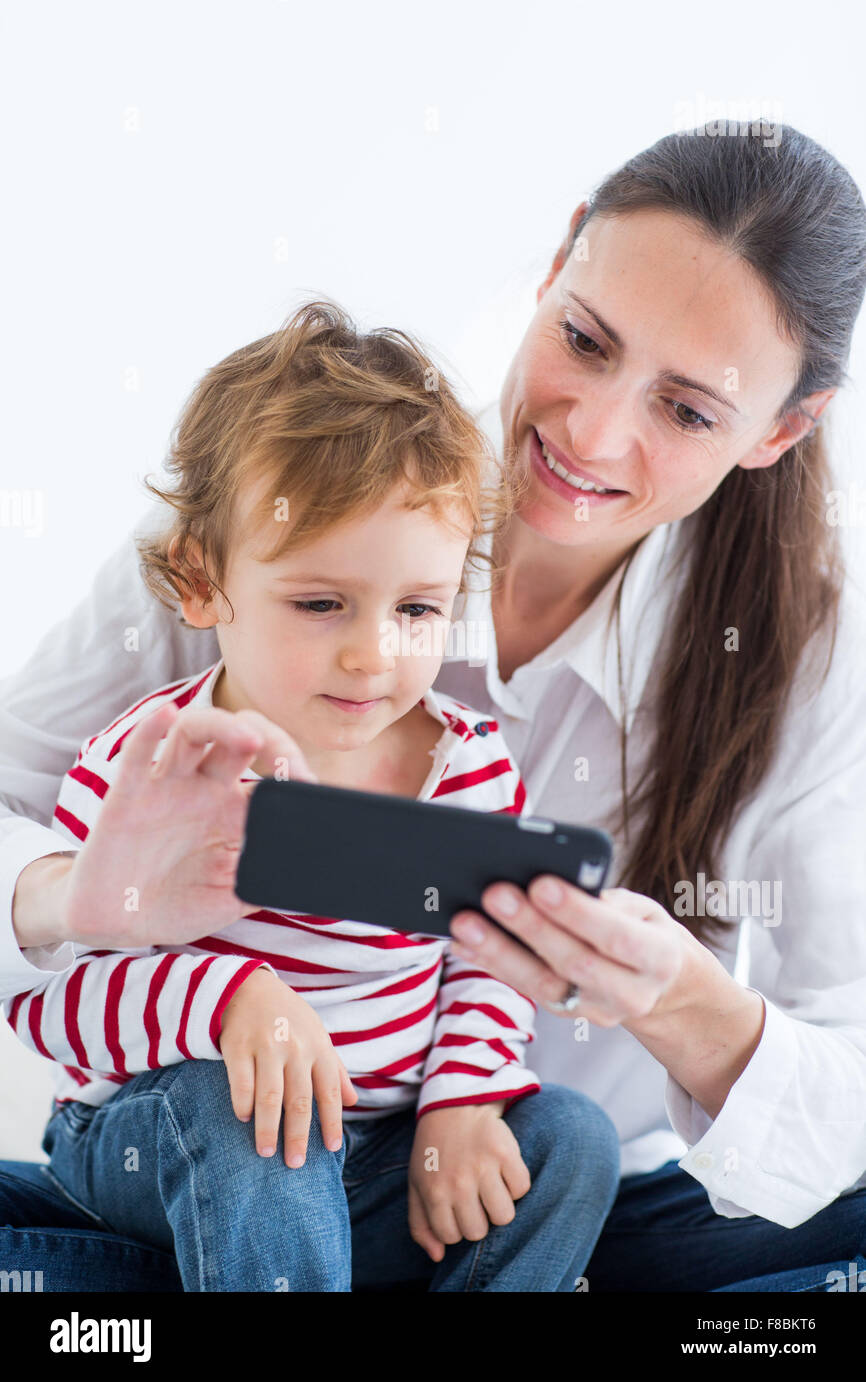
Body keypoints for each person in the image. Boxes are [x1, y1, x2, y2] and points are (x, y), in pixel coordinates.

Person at [2, 120, 866, 1293]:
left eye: (687, 410)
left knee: (592, 1148)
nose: (591, 436)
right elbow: (31, 848)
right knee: (230, 1158)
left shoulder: (799, 658)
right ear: (558, 261)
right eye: (584, 339)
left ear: (781, 428)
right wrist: (73, 896)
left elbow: (837, 1097)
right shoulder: (281, 492)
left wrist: (678, 1004)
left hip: (508, 1190)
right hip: (213, 1151)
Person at [1, 301, 618, 1292]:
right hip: (161, 1144)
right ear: (201, 582)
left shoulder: (467, 771)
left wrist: (461, 1103)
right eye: (320, 602)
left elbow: (486, 963)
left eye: (415, 608)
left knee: (571, 1140)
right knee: (247, 1121)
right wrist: (231, 999)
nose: (373, 652)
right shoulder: (153, 766)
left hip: (372, 1164)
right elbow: (58, 1007)